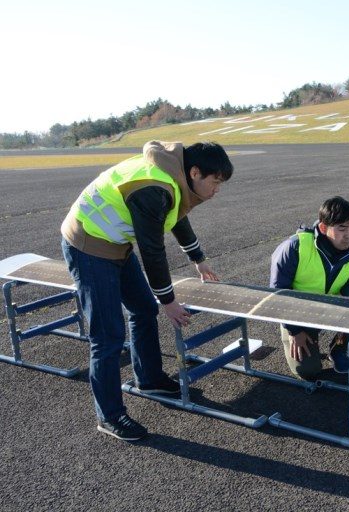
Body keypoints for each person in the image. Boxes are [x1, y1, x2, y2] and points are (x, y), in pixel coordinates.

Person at [61, 140, 233, 441]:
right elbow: (152, 251)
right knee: (107, 336)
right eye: (215, 182)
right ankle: (110, 416)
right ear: (195, 172)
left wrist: (198, 259)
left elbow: (176, 215)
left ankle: (149, 379)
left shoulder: (171, 177)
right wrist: (168, 301)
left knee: (142, 308)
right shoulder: (154, 188)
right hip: (88, 243)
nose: (217, 190)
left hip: (113, 241)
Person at [270, 196, 349, 380]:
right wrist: (294, 330)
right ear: (323, 228)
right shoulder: (294, 247)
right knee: (308, 371)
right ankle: (304, 338)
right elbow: (278, 294)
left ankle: (338, 349)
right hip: (297, 316)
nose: (348, 235)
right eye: (341, 229)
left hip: (329, 308)